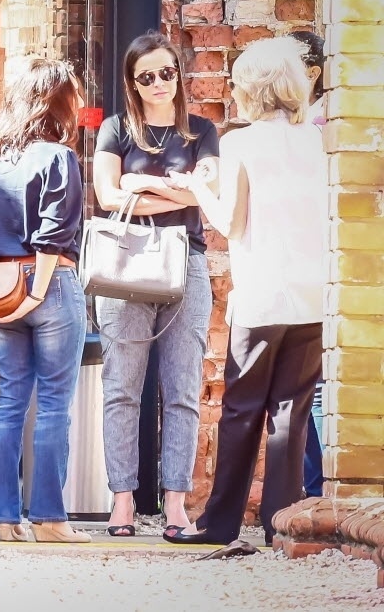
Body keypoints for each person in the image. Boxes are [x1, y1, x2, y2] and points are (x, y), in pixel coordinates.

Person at [164, 36, 326, 547]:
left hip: (261, 296)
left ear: (253, 89)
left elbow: (230, 224)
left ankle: (220, 523)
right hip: (314, 295)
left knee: (240, 409)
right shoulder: (321, 141)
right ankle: (282, 525)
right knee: (290, 414)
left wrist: (196, 189)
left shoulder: (240, 143)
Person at [92, 31, 219, 537]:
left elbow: (206, 192)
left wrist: (137, 182)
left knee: (183, 387)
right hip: (126, 263)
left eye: (167, 72)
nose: (159, 83)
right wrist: (173, 188)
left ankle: (175, 505)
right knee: (121, 386)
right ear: (133, 83)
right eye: (147, 77)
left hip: (185, 261)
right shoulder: (115, 130)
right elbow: (105, 196)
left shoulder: (202, 131)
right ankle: (122, 501)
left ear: (178, 74)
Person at [0, 57, 90, 543]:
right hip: (50, 286)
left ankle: (4, 519)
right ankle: (50, 520)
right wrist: (38, 291)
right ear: (59, 103)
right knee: (53, 406)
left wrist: (9, 294)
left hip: (3, 287)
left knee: (9, 403)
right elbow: (53, 235)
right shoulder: (59, 157)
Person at [289, 29, 327, 498]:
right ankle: (309, 492)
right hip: (296, 267)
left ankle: (322, 494)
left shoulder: (321, 126)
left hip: (316, 268)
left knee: (314, 391)